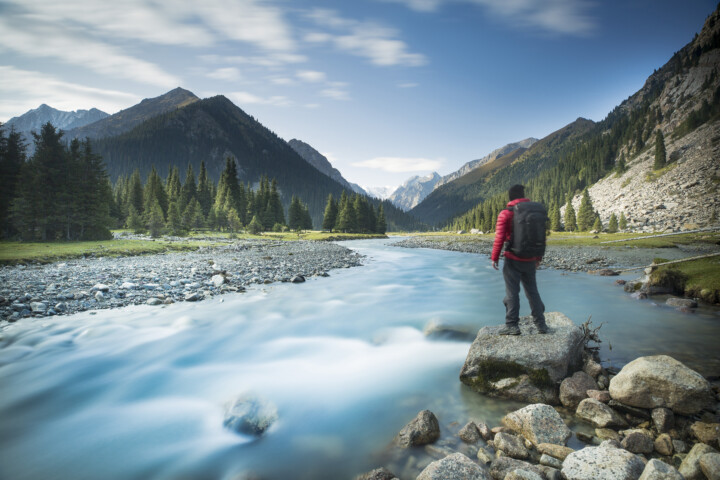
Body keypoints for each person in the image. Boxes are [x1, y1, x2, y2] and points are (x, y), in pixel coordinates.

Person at [491, 184, 548, 335]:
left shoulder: (506, 213)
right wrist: (538, 257)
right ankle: (541, 324)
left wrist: (494, 257)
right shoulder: (533, 212)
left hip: (512, 259)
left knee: (512, 292)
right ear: (523, 196)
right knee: (532, 292)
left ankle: (512, 325)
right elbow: (540, 236)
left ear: (510, 197)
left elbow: (500, 237)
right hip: (530, 258)